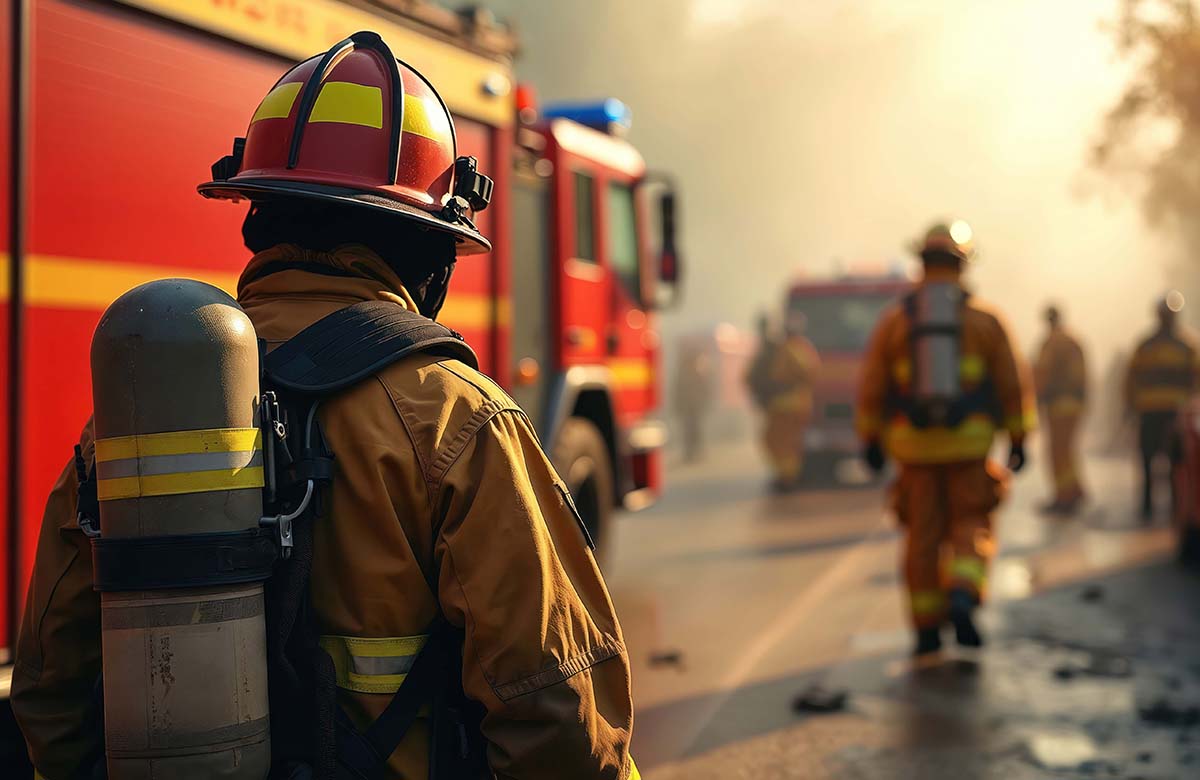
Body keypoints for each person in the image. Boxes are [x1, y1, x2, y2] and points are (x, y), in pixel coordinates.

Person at [12, 33, 637, 780]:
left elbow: (50, 683)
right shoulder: (458, 419)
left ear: (258, 222)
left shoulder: (141, 416)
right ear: (430, 254)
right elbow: (558, 716)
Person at [856, 220, 1034, 656]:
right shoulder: (986, 320)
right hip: (969, 448)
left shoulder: (895, 322)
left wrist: (870, 440)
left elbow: (872, 387)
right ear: (963, 265)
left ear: (921, 262)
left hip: (913, 449)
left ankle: (926, 630)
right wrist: (1018, 438)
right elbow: (1012, 384)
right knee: (971, 524)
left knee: (922, 540)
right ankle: (962, 593)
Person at [1125, 291, 1200, 522]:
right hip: (1164, 412)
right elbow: (1131, 379)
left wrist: (1130, 406)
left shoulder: (1149, 345)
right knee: (1158, 461)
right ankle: (1163, 508)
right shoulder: (1185, 345)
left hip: (1169, 414)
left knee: (1170, 462)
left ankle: (1164, 508)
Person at [748, 309, 820, 492]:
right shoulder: (800, 347)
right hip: (791, 404)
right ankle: (786, 475)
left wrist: (782, 385)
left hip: (788, 405)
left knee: (781, 442)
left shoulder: (793, 348)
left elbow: (805, 372)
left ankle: (787, 478)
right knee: (782, 441)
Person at [1033, 304, 1088, 515]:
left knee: (1058, 451)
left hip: (1057, 404)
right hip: (1075, 404)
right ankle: (1075, 491)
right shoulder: (1073, 340)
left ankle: (1064, 497)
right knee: (1068, 449)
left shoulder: (1051, 343)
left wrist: (1035, 398)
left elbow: (1042, 373)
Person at [673, 340, 715, 463]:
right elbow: (679, 390)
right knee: (691, 429)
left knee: (692, 429)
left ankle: (694, 452)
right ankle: (692, 452)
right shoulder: (692, 370)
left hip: (693, 406)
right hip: (691, 406)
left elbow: (704, 389)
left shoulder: (691, 371)